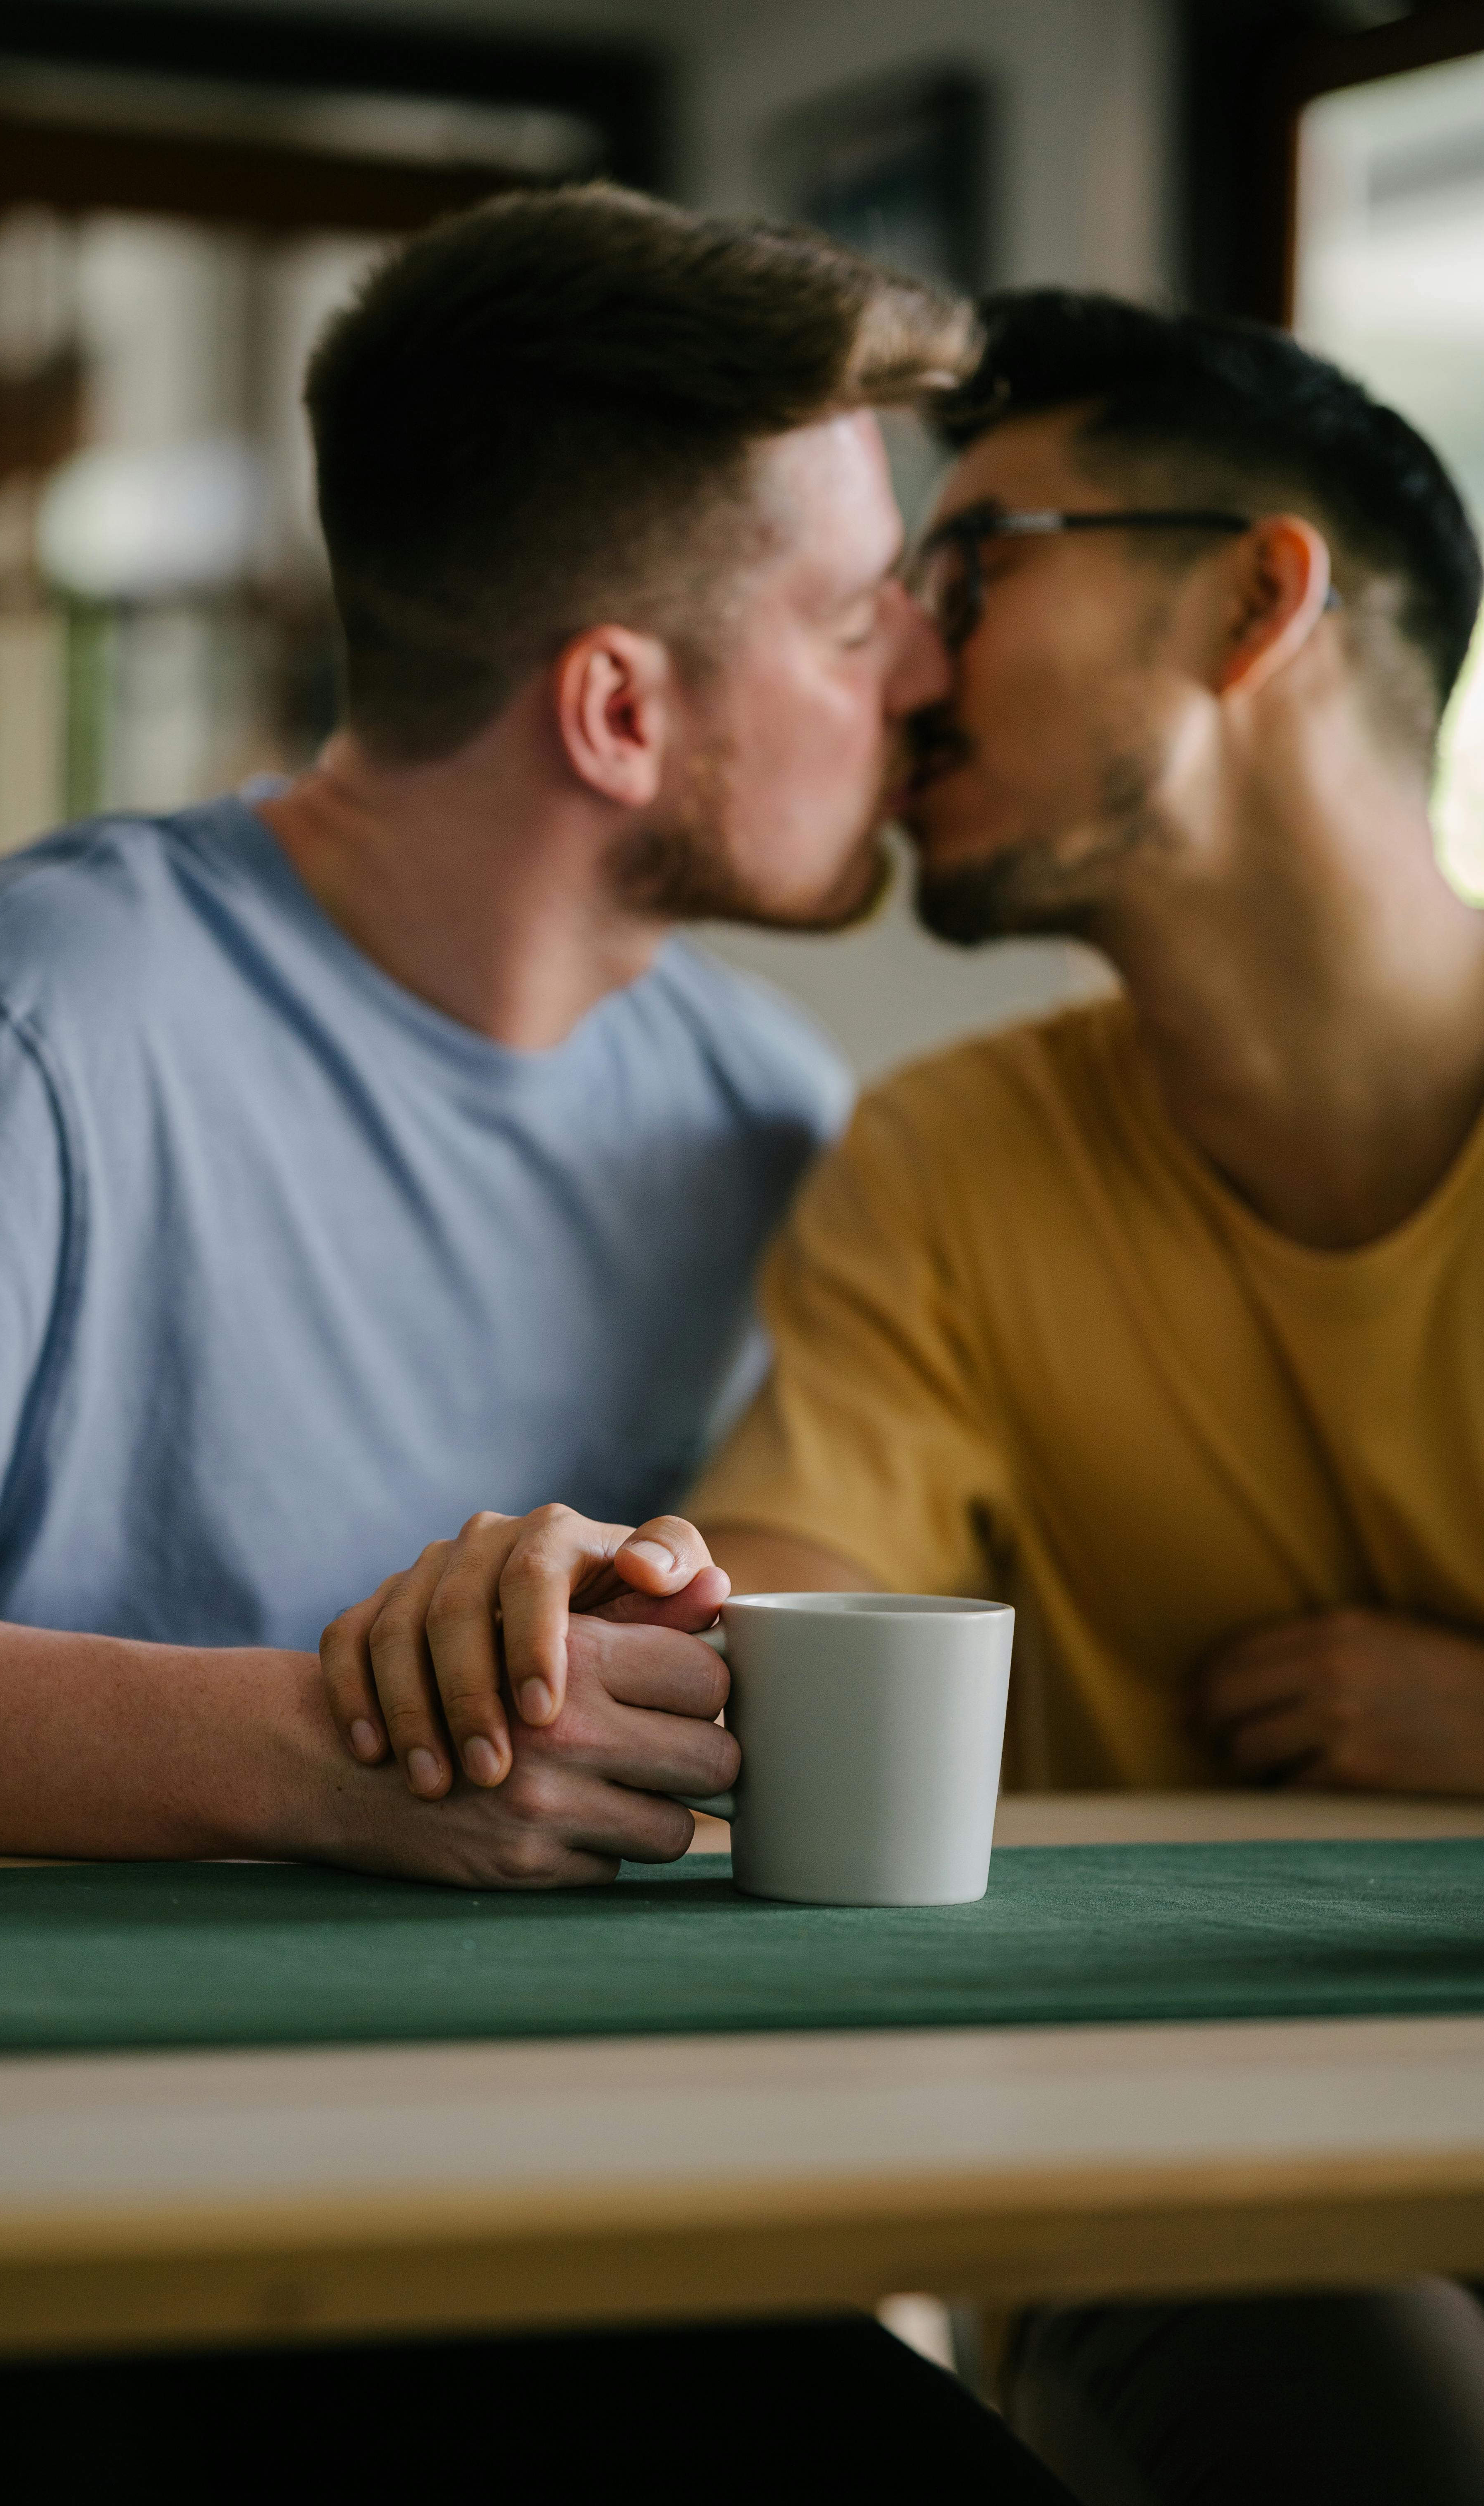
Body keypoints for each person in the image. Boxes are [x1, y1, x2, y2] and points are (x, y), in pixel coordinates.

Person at [337, 294, 1484, 2503]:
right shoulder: (944, 1162)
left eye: (968, 572)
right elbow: (791, 1583)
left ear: (1255, 599)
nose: (906, 671)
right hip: (1214, 2203)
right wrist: (610, 1609)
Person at [0, 183, 962, 1886]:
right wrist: (333, 1756)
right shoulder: (23, 1033)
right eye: (857, 619)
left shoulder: (766, 1113)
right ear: (619, 712)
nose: (926, 672)